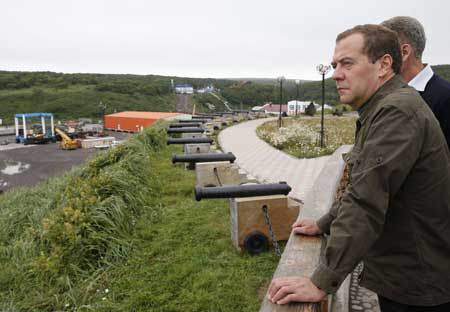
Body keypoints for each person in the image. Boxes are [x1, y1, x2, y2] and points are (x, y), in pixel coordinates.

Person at [268, 24, 450, 311]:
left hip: (417, 278)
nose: (337, 73)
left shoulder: (396, 112)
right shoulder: (383, 107)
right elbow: (362, 183)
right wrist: (324, 222)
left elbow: (366, 199)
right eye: (334, 65)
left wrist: (321, 281)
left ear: (384, 65)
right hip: (407, 272)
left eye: (348, 63)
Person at [382, 16, 450, 148]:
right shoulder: (386, 94)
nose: (377, 59)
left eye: (383, 51)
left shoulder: (446, 97)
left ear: (404, 52)